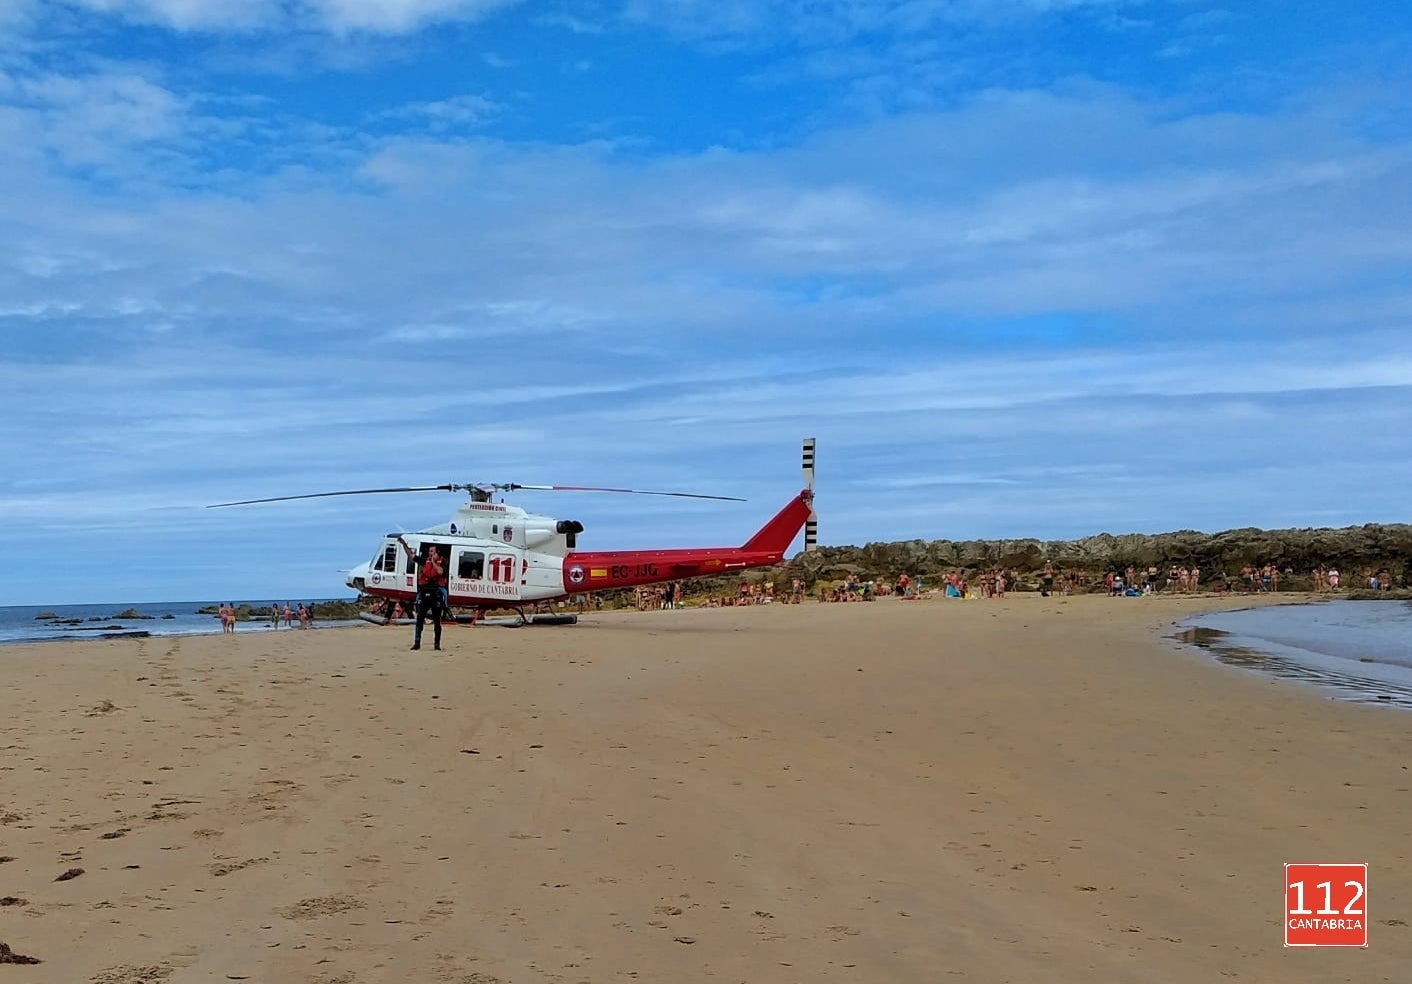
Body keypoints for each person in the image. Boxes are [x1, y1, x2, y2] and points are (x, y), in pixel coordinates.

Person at [397, 535, 444, 651]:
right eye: (429, 551)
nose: (430, 553)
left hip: (435, 594)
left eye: (432, 551)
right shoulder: (424, 562)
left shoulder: (441, 562)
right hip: (424, 593)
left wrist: (433, 561)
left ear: (437, 552)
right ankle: (417, 642)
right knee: (420, 618)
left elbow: (440, 571)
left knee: (437, 620)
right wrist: (404, 544)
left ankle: (437, 644)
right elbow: (411, 556)